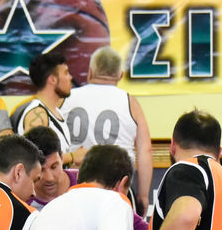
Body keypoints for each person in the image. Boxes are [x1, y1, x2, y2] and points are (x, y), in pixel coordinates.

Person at [60, 46, 154, 212]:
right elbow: (145, 150)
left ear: (90, 72)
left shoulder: (68, 99)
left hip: (76, 185)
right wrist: (143, 196)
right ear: (121, 75)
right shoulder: (130, 102)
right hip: (116, 187)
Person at [11, 51, 72, 151]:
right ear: (52, 80)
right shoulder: (37, 113)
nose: (70, 77)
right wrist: (73, 156)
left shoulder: (56, 111)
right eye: (66, 73)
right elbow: (35, 156)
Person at [23, 126, 77, 209]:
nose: (49, 178)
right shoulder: (21, 203)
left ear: (62, 158)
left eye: (54, 167)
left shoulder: (87, 183)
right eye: (41, 170)